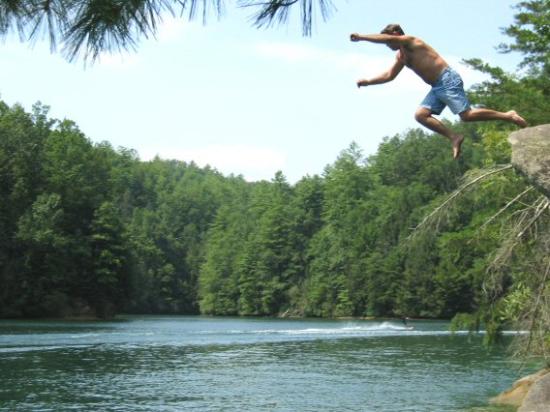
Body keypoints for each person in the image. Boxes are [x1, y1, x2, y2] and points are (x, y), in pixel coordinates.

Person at [350, 24, 527, 159]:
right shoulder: (401, 56)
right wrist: (368, 82)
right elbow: (389, 75)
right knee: (421, 115)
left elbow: (385, 40)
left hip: (446, 79)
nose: (387, 44)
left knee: (467, 115)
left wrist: (361, 37)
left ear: (396, 34)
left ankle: (508, 115)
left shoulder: (411, 41)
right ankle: (454, 137)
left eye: (388, 39)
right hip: (436, 87)